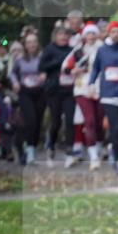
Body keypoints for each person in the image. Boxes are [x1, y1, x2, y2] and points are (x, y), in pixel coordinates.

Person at [88, 20, 118, 175]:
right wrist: (91, 83)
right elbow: (96, 68)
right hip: (109, 94)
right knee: (116, 127)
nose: (116, 34)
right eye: (113, 31)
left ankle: (115, 149)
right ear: (108, 33)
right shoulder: (102, 50)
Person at [63, 23, 104, 170]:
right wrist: (73, 70)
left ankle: (97, 149)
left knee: (99, 122)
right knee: (90, 121)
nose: (91, 37)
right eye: (88, 34)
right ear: (85, 36)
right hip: (82, 89)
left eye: (93, 33)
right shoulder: (78, 51)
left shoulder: (103, 49)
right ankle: (93, 157)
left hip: (100, 88)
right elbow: (66, 68)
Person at [39, 25, 76, 165]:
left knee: (70, 120)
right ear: (55, 36)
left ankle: (70, 151)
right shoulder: (50, 49)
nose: (63, 37)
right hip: (54, 90)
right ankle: (51, 147)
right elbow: (42, 67)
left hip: (69, 90)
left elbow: (79, 64)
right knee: (55, 122)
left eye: (66, 35)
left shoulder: (72, 50)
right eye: (61, 34)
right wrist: (59, 62)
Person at [9, 32, 45, 165]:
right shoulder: (19, 59)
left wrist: (44, 75)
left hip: (40, 92)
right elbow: (12, 73)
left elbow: (49, 69)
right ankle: (29, 152)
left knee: (38, 123)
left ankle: (32, 149)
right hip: (25, 92)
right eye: (29, 42)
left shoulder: (42, 57)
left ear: (37, 43)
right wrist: (15, 82)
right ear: (25, 44)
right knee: (31, 120)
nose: (32, 44)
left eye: (34, 41)